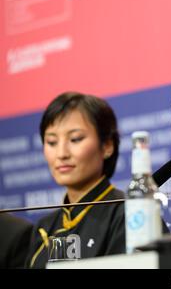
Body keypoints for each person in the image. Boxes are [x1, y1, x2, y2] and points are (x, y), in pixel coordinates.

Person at [26, 92, 125, 268]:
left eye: (75, 139)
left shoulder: (129, 214)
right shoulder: (44, 228)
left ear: (107, 145)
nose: (62, 153)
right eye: (51, 142)